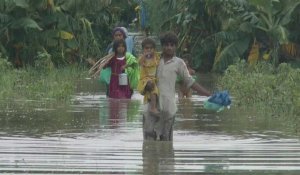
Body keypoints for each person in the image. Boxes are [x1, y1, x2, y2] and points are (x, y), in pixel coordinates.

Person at [143, 31, 211, 141]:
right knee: (149, 140)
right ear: (162, 46)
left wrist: (209, 94)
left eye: (172, 45)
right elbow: (142, 76)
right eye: (166, 45)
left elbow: (190, 82)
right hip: (151, 107)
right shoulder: (153, 60)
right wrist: (146, 85)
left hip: (169, 108)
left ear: (176, 47)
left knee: (166, 142)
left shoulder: (179, 63)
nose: (169, 48)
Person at [137, 38, 160, 115]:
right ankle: (153, 108)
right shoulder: (143, 58)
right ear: (143, 49)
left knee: (154, 92)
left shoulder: (156, 58)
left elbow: (159, 63)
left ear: (154, 49)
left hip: (153, 79)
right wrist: (144, 55)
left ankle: (150, 107)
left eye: (151, 48)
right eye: (147, 48)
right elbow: (139, 62)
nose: (149, 50)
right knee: (153, 89)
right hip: (144, 80)